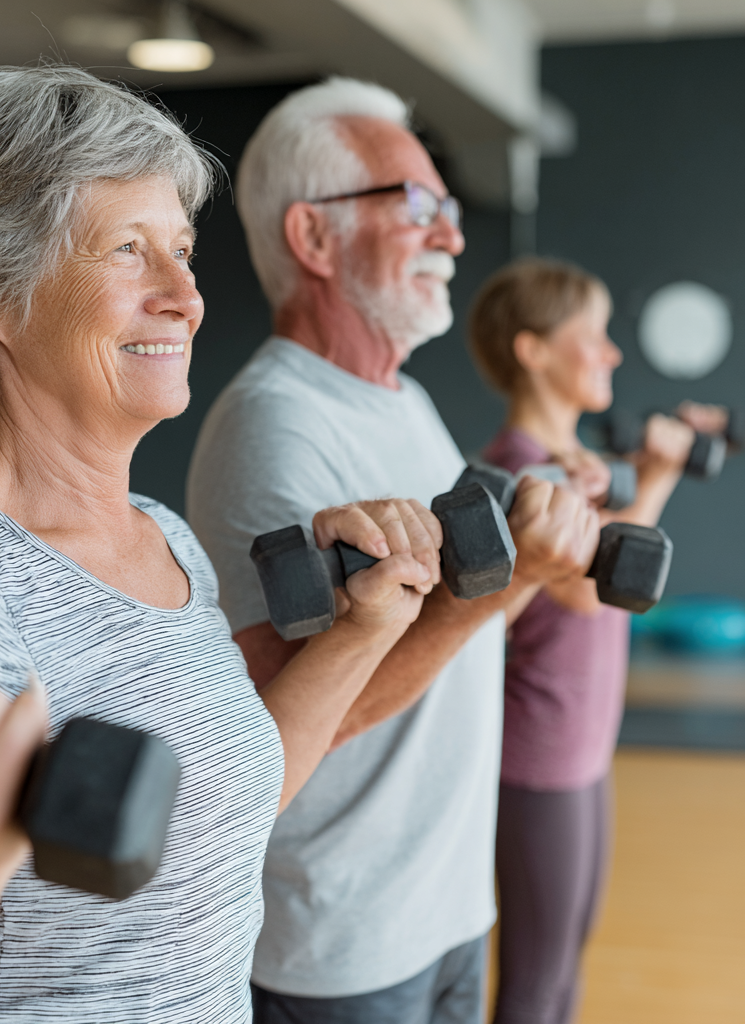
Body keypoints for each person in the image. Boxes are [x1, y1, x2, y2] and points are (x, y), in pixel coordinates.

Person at [0, 65, 448, 1024]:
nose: (185, 297)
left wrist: (362, 632)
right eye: (126, 250)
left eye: (183, 251)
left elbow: (219, 806)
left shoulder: (166, 536)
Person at [186, 78, 601, 1024]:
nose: (453, 236)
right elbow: (288, 721)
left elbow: (465, 623)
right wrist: (511, 580)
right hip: (342, 936)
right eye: (418, 207)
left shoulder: (405, 401)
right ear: (314, 238)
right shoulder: (274, 424)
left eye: (447, 210)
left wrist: (537, 561)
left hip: (447, 900)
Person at [469, 257, 728, 1024]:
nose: (612, 353)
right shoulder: (517, 468)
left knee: (568, 969)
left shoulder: (582, 464)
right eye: (594, 335)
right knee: (535, 982)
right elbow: (586, 591)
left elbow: (620, 565)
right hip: (539, 756)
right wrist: (660, 472)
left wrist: (654, 463)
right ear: (534, 350)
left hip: (584, 747)